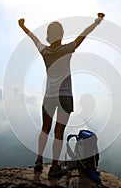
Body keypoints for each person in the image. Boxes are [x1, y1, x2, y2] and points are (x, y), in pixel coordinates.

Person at [18, 13, 104, 177]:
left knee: (45, 129)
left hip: (49, 96)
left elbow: (32, 38)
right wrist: (97, 22)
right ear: (62, 35)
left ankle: (38, 161)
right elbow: (84, 34)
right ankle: (54, 167)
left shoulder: (44, 50)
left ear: (49, 36)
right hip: (65, 96)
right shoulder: (67, 49)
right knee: (59, 133)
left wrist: (23, 26)